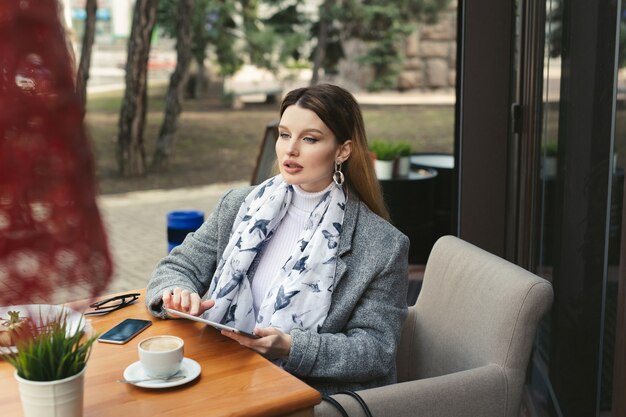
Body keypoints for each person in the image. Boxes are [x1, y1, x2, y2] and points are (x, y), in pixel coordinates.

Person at [145, 83, 409, 395]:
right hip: (221, 369)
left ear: (342, 150)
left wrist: (290, 347)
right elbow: (178, 265)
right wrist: (178, 293)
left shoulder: (382, 245)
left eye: (309, 139)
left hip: (304, 396)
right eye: (284, 134)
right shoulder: (238, 205)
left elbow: (376, 351)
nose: (290, 149)